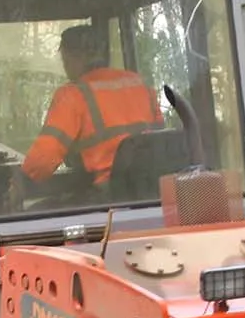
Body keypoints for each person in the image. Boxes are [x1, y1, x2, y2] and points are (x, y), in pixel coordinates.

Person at [14, 25, 164, 196]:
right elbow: (160, 135)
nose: (65, 67)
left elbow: (43, 161)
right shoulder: (139, 83)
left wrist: (20, 181)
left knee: (37, 213)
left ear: (73, 57)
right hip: (153, 189)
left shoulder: (73, 94)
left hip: (109, 194)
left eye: (65, 60)